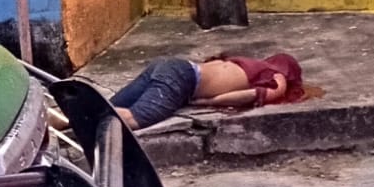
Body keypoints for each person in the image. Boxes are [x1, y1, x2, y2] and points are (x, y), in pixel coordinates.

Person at [112, 52, 305, 131]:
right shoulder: (277, 77)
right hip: (183, 78)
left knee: (111, 106)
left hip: (171, 65)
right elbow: (249, 95)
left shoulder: (249, 64)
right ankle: (83, 120)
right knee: (135, 119)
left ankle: (82, 118)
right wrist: (209, 102)